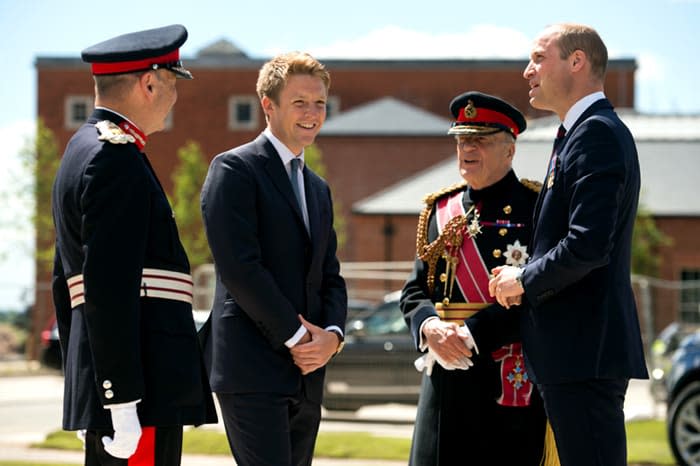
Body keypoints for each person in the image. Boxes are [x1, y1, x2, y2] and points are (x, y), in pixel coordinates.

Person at [51, 24, 217, 466]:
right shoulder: (114, 158)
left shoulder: (82, 151)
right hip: (142, 388)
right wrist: (120, 401)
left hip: (128, 385)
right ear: (148, 83)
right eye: (171, 84)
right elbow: (106, 287)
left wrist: (86, 385)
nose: (174, 98)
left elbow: (65, 285)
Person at [489, 23, 648, 466]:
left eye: (539, 58)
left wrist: (523, 278)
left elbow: (588, 244)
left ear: (577, 61)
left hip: (585, 354)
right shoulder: (576, 134)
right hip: (574, 354)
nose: (527, 71)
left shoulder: (596, 134)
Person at [200, 51, 347, 466]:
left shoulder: (317, 187)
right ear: (268, 105)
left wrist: (332, 337)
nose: (313, 113)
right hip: (252, 368)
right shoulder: (233, 170)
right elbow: (240, 268)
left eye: (320, 104)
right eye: (300, 102)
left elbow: (330, 276)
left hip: (308, 374)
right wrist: (299, 338)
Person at [400, 91, 556, 465]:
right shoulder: (440, 209)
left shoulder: (537, 209)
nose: (467, 148)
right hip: (445, 378)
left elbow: (543, 293)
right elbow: (414, 291)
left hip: (505, 377)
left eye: (481, 140)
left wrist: (472, 332)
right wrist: (430, 327)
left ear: (509, 150)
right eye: (462, 139)